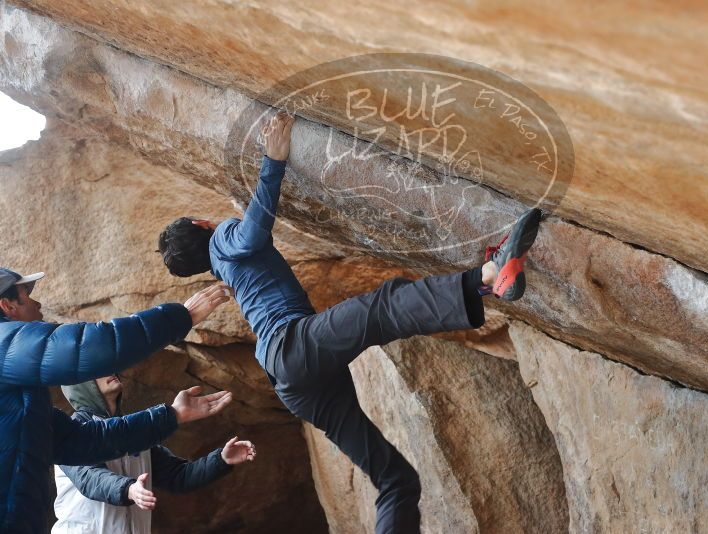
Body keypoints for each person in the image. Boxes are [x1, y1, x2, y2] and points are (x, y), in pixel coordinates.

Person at [158, 112, 542, 534]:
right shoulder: (222, 239)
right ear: (201, 224)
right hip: (293, 346)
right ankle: (489, 277)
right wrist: (274, 159)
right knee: (383, 307)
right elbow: (251, 233)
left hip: (294, 384)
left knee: (396, 479)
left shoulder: (224, 270)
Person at [0, 267, 232, 533]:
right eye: (26, 295)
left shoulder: (25, 402)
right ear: (7, 305)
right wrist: (182, 317)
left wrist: (173, 415)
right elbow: (87, 347)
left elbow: (85, 441)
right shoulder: (3, 343)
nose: (38, 303)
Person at [52, 374, 256, 533]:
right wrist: (128, 489)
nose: (109, 370)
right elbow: (90, 479)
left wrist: (221, 460)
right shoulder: (71, 432)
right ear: (80, 384)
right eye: (97, 371)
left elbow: (179, 476)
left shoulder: (134, 432)